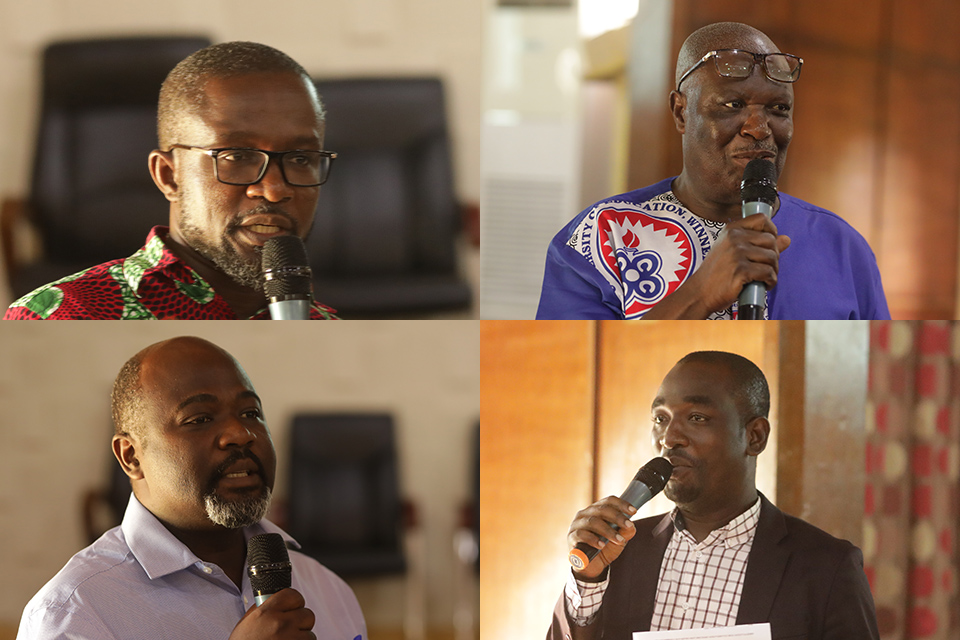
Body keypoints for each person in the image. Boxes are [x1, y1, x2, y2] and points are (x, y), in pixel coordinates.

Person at [17, 336, 366, 640]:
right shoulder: (74, 614)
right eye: (199, 419)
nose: (241, 434)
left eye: (250, 413)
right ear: (131, 457)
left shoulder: (329, 590)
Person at [537, 22, 890, 320]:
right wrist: (699, 295)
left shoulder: (842, 247)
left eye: (779, 108)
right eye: (733, 105)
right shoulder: (601, 239)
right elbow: (563, 373)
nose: (759, 127)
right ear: (681, 113)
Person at [548, 351, 879, 639]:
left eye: (696, 418)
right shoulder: (618, 554)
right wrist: (588, 581)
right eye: (660, 419)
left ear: (755, 437)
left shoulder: (827, 566)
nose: (670, 438)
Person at [5, 42, 337, 320]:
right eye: (237, 156)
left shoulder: (324, 326)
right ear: (169, 176)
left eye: (299, 159)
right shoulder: (64, 316)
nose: (274, 189)